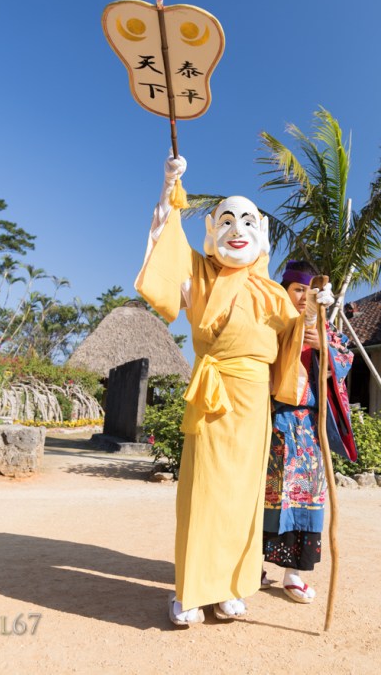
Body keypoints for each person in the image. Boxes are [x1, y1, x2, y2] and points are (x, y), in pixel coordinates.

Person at [135, 155, 334, 626]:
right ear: (211, 228)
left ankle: (229, 588)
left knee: (243, 498)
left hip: (253, 407)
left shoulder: (270, 291)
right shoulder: (198, 273)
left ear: (261, 231)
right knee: (203, 493)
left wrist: (321, 308)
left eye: (247, 220)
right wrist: (169, 188)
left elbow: (298, 337)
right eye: (227, 220)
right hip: (211, 395)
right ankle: (189, 590)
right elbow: (165, 244)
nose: (237, 229)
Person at [262, 261, 356, 604]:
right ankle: (250, 568)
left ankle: (293, 575)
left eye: (309, 291)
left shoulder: (326, 330)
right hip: (270, 424)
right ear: (285, 291)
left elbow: (345, 361)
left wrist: (323, 348)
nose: (304, 297)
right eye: (298, 290)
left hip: (308, 430)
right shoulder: (272, 324)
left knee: (304, 501)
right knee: (260, 500)